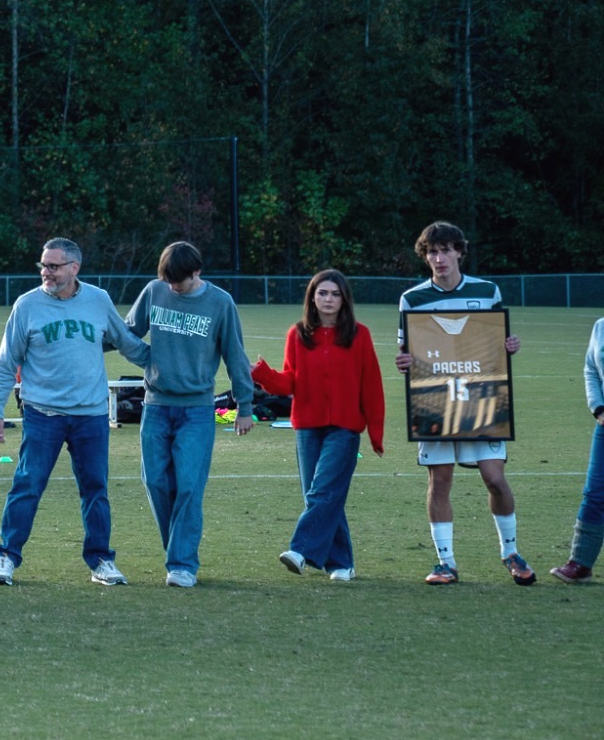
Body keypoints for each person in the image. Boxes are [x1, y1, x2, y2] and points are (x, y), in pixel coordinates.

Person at [0, 238, 151, 586]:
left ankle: (101, 560)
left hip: (90, 415)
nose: (46, 272)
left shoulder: (98, 300)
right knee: (27, 485)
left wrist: (162, 361)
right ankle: (6, 556)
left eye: (54, 266)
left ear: (74, 268)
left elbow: (126, 342)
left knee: (95, 489)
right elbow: (5, 362)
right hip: (42, 415)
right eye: (43, 265)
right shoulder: (27, 305)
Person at [395, 221, 531, 585]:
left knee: (495, 479)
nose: (439, 259)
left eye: (445, 250)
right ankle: (446, 563)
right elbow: (407, 352)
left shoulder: (487, 291)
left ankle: (511, 552)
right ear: (425, 257)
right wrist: (404, 361)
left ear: (459, 251)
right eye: (431, 252)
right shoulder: (413, 299)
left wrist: (509, 347)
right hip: (436, 403)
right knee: (440, 482)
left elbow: (495, 346)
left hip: (482, 401)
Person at [124, 241, 256, 588]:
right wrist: (91, 337)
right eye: (166, 280)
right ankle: (177, 551)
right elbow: (127, 333)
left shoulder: (220, 303)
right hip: (155, 407)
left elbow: (235, 355)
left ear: (196, 273)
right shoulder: (154, 291)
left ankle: (182, 563)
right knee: (155, 482)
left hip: (197, 410)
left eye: (178, 282)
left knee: (188, 486)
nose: (171, 287)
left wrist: (244, 407)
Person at [251, 270, 384, 581]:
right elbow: (288, 384)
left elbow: (372, 385)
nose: (328, 299)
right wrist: (261, 373)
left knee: (322, 492)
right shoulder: (297, 335)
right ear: (312, 297)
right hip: (307, 428)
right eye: (322, 293)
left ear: (344, 299)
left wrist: (375, 433)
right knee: (323, 494)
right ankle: (341, 564)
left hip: (345, 428)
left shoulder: (359, 335)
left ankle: (300, 550)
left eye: (334, 294)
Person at [552, 317, 604, 583]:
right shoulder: (601, 326)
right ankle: (580, 564)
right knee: (595, 493)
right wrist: (598, 408)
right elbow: (591, 369)